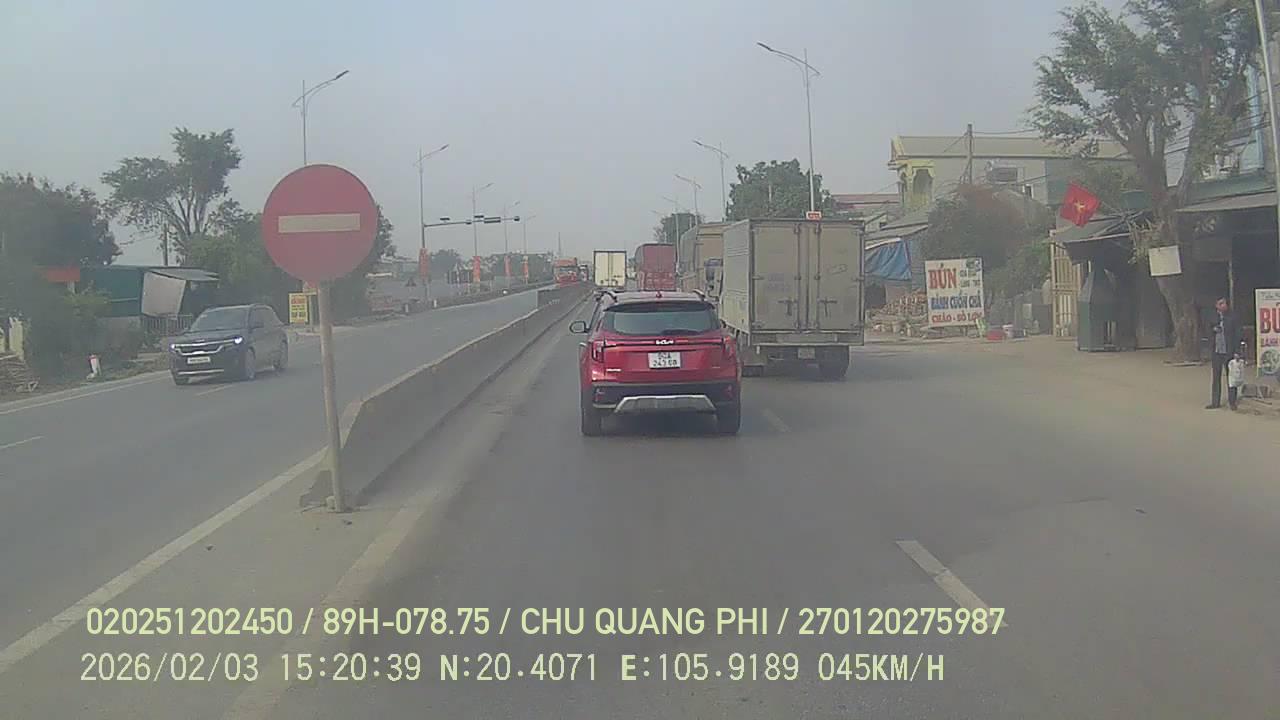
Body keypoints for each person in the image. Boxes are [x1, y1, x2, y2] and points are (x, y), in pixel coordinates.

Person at [1206, 297, 1242, 409]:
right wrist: (1213, 330)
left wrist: (1237, 351)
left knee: (1231, 377)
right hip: (1217, 351)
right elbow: (1207, 331)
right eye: (1221, 303)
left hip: (1229, 351)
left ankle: (1232, 402)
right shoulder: (1212, 317)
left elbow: (1237, 334)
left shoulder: (1232, 317)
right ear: (1216, 305)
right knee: (1216, 377)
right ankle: (1215, 402)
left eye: (1224, 303)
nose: (1223, 305)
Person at [1227, 342, 1246, 411]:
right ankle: (1232, 402)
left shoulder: (1241, 361)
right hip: (1225, 352)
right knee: (1232, 383)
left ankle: (1233, 401)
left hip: (1232, 346)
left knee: (1237, 384)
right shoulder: (1231, 362)